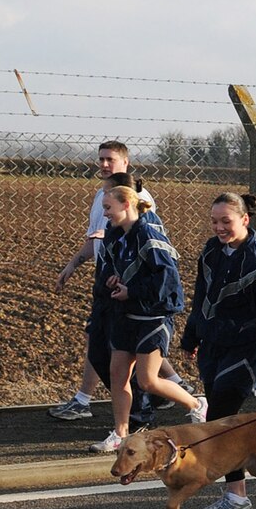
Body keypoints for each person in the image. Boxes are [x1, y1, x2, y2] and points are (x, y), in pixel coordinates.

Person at [52, 141, 183, 423]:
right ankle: (155, 394)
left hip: (133, 294)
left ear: (125, 162)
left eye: (110, 159)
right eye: (101, 159)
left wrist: (130, 287)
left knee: (123, 351)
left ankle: (142, 409)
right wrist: (73, 264)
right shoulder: (103, 196)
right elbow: (97, 238)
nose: (103, 164)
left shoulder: (136, 200)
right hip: (109, 283)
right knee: (101, 344)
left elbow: (158, 266)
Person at [183, 193, 256, 509]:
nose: (218, 228)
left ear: (245, 220)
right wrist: (192, 334)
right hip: (214, 347)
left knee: (221, 421)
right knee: (222, 420)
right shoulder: (211, 251)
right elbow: (202, 295)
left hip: (245, 352)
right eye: (214, 221)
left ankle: (236, 498)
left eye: (225, 222)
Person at [90, 185, 204, 454]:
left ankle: (197, 405)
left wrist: (133, 291)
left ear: (126, 205)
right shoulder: (115, 237)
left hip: (153, 317)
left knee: (147, 380)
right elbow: (112, 269)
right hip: (125, 315)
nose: (104, 213)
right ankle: (120, 433)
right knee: (118, 374)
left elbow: (167, 282)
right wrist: (113, 281)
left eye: (108, 208)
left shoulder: (149, 236)